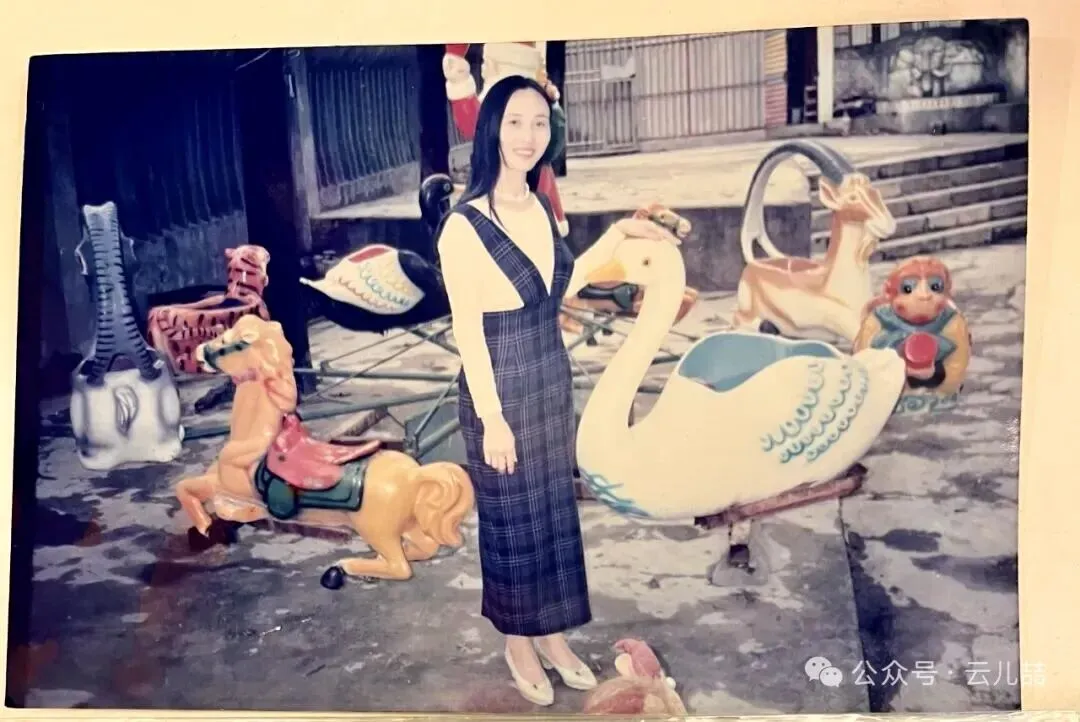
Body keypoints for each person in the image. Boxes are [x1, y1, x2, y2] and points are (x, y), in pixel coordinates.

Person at [435, 73, 679, 706]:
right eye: (515, 122)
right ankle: (518, 642)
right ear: (492, 129)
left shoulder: (540, 208)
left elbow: (559, 287)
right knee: (511, 524)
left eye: (539, 123)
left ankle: (552, 635)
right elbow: (468, 332)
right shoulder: (464, 227)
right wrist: (492, 419)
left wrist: (620, 236)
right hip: (498, 387)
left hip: (548, 377)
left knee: (551, 515)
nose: (528, 135)